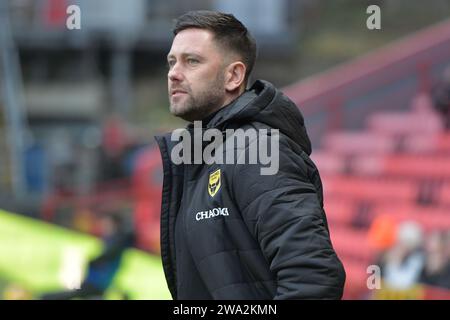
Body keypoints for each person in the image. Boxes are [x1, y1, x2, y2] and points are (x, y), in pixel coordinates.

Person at [155, 10, 345, 300]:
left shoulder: (257, 151)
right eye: (172, 62)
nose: (173, 73)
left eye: (191, 61)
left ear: (233, 76)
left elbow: (313, 277)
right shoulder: (207, 152)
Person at [41, 213, 134, 300]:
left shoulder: (118, 242)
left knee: (65, 295)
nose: (104, 227)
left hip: (98, 283)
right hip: (95, 282)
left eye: (107, 223)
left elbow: (106, 258)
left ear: (114, 224)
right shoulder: (111, 240)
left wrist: (92, 261)